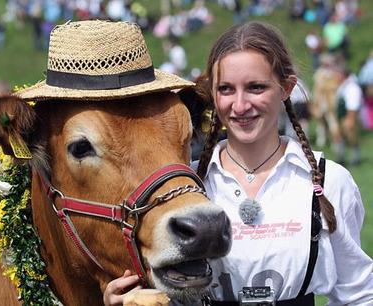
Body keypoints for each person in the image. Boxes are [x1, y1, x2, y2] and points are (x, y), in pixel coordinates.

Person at [104, 21, 373, 305]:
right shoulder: (184, 185)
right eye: (226, 89)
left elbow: (358, 293)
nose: (241, 105)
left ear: (286, 87)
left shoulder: (328, 180)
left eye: (256, 87)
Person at [336, 68, 363, 166]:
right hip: (342, 115)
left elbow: (353, 103)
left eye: (338, 74)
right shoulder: (344, 85)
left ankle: (355, 158)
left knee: (352, 137)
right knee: (340, 137)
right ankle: (341, 157)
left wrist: (350, 118)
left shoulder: (352, 87)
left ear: (343, 75)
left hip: (348, 115)